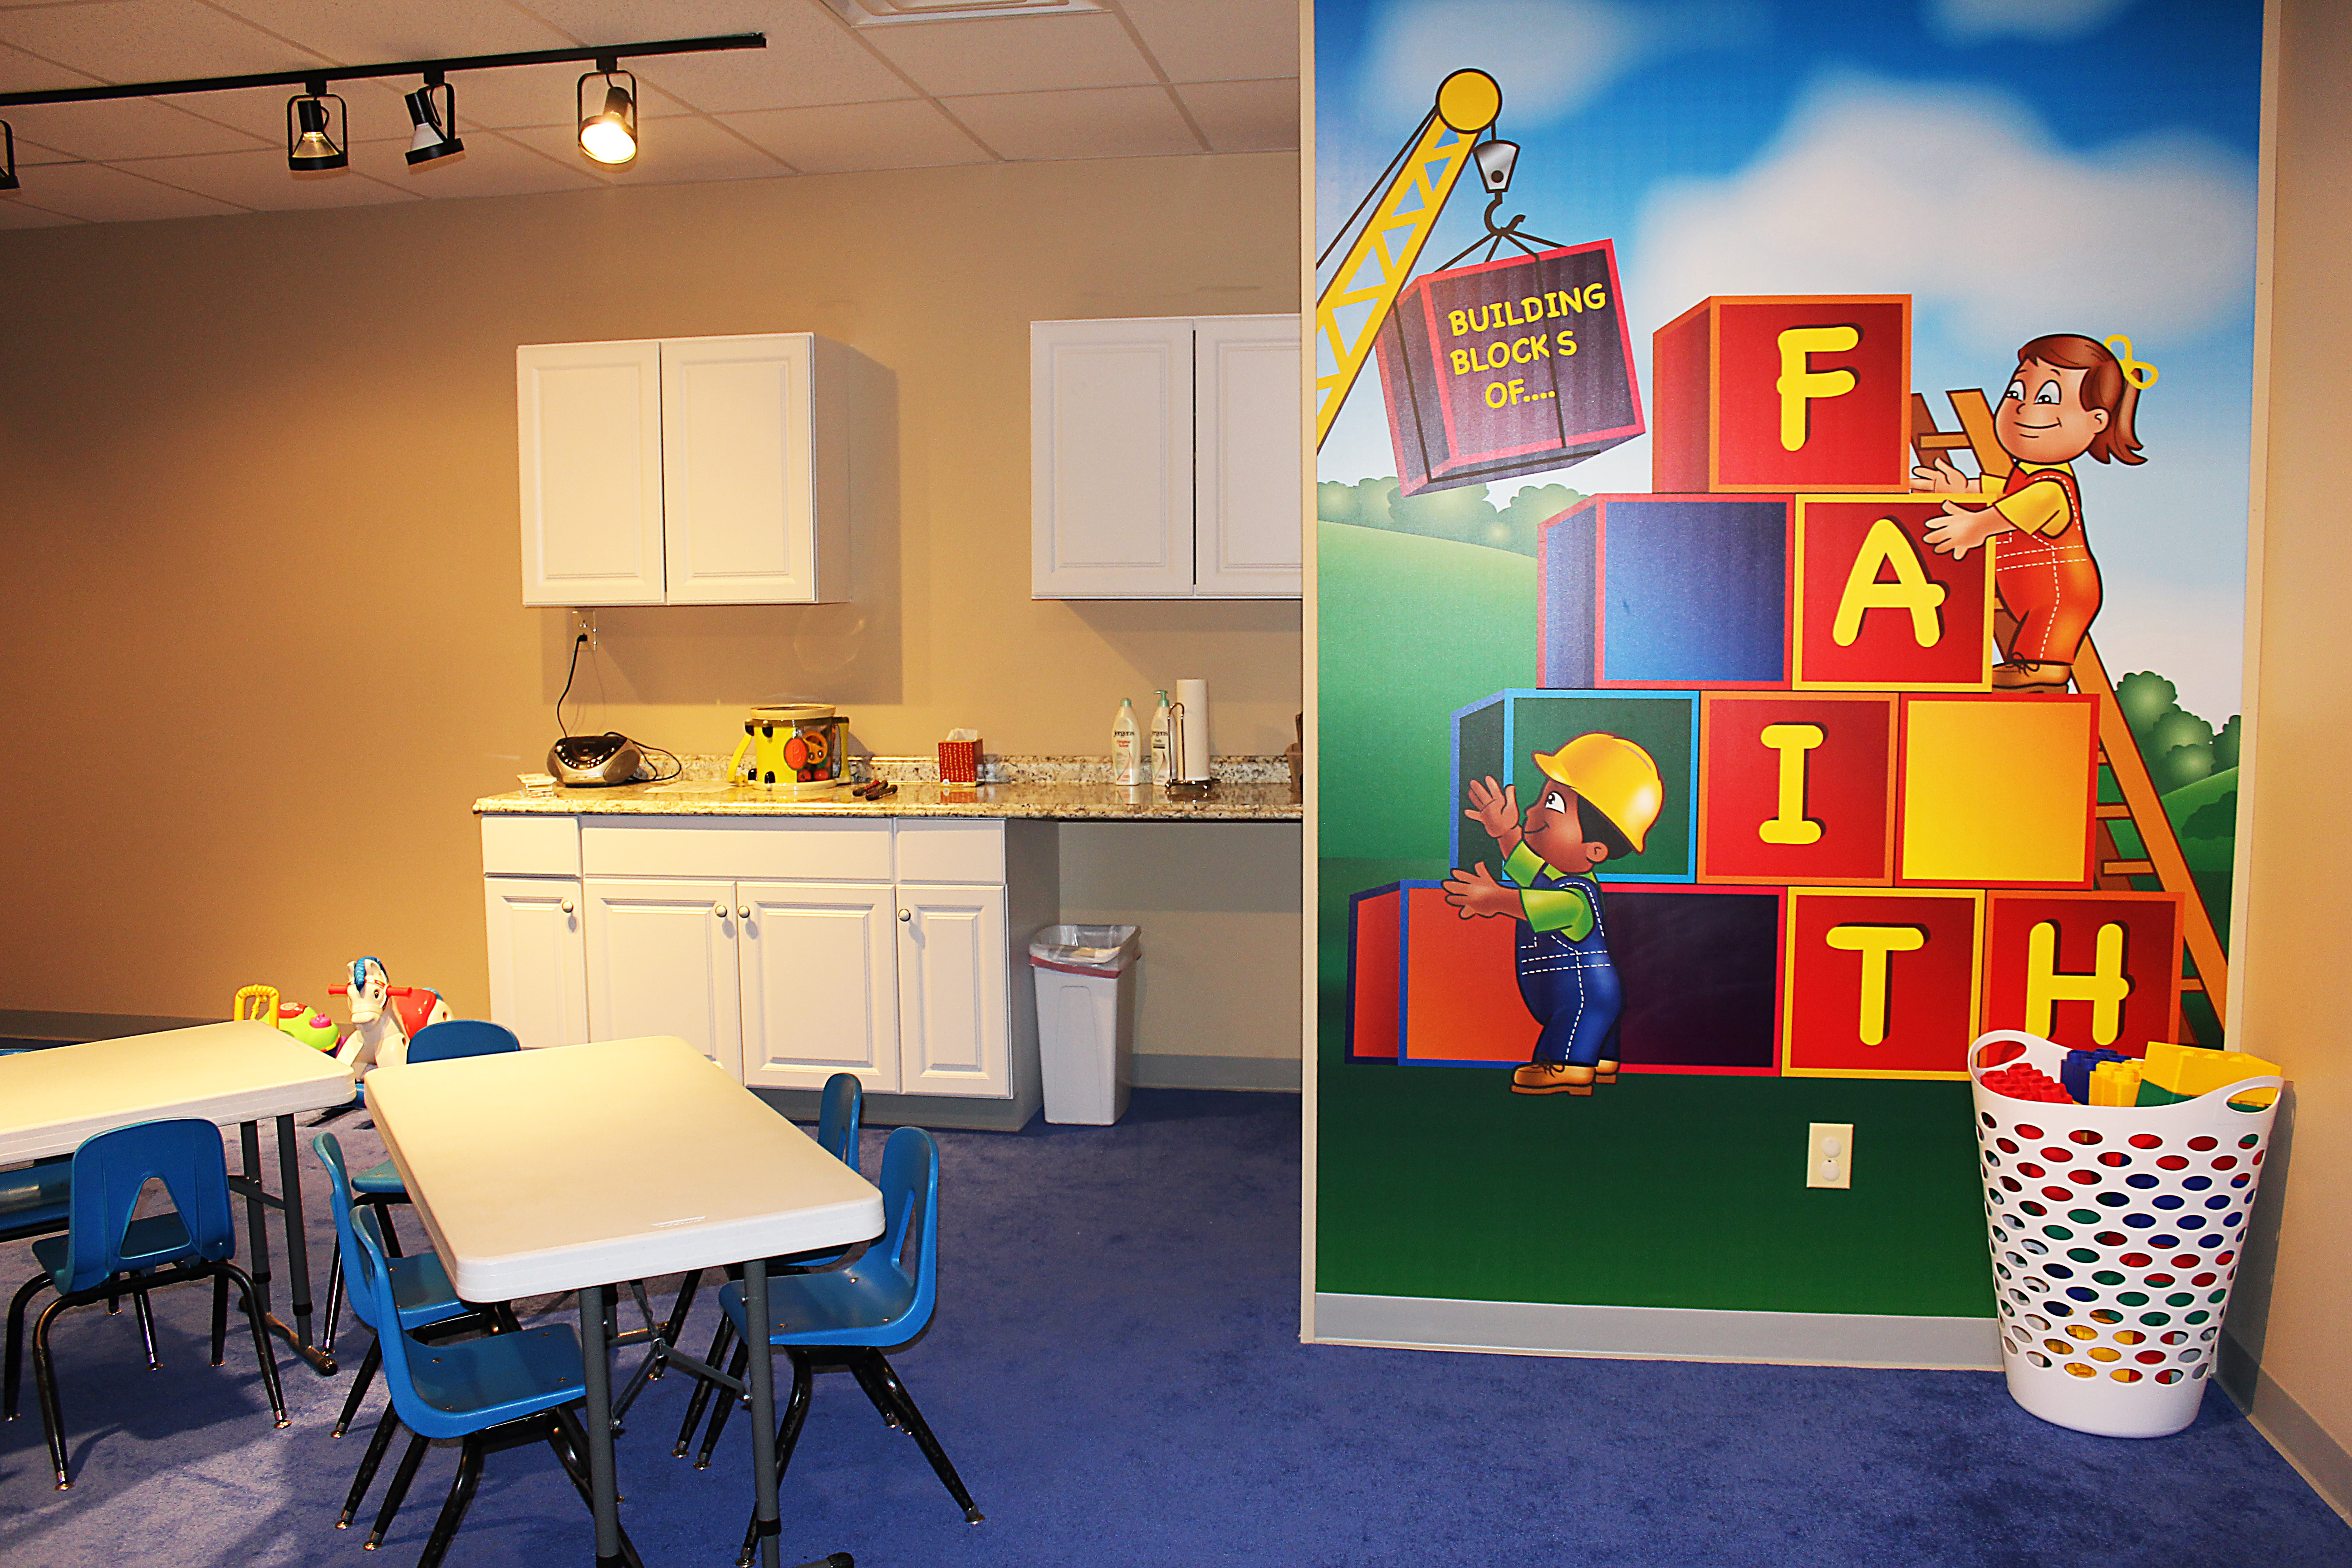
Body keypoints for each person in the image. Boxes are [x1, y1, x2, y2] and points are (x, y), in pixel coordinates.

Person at [1914, 333, 2150, 691]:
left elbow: (2017, 509)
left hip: (2060, 591)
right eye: (2016, 392)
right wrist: (1965, 487)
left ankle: (2045, 671)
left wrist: (1976, 526)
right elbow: (2006, 492)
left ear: (2097, 421)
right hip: (2027, 588)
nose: (2023, 408)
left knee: (2047, 638)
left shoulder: (2052, 488)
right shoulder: (2027, 477)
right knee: (2032, 631)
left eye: (2048, 398)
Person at [1443, 733, 1663, 1096]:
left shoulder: (1577, 898)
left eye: (1553, 803)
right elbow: (1527, 870)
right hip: (1581, 993)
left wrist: (1495, 899)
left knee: (1573, 1030)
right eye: (1543, 797)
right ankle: (1602, 1062)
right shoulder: (1554, 880)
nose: (1532, 811)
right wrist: (1505, 832)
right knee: (1596, 1037)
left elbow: (1532, 904)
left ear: (1595, 850)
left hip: (1583, 997)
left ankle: (1569, 1067)